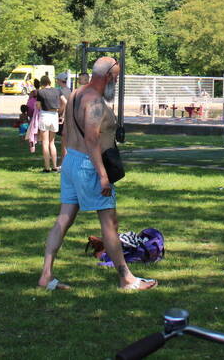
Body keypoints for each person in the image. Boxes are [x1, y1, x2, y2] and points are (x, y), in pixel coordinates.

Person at [38, 56, 157, 291]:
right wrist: (102, 175)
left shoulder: (76, 94)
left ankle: (45, 277)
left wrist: (66, 161)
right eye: (117, 77)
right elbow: (92, 139)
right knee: (109, 222)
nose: (117, 81)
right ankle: (126, 279)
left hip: (71, 161)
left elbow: (67, 130)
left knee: (64, 218)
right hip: (88, 166)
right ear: (109, 76)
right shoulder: (93, 101)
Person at [36, 75, 66, 173]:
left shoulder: (40, 92)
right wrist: (60, 111)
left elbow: (38, 106)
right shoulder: (57, 90)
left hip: (45, 115)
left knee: (45, 142)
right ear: (49, 82)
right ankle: (54, 166)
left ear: (42, 83)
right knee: (51, 142)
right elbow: (65, 102)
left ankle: (47, 167)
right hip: (54, 115)